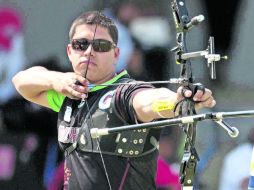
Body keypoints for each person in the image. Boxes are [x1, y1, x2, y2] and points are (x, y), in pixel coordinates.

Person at [12, 11, 216, 190]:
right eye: (81, 44)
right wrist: (57, 80)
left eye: (101, 45)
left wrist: (179, 101)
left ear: (116, 54)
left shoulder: (124, 94)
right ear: (70, 51)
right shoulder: (70, 93)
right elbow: (21, 82)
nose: (89, 51)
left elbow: (148, 101)